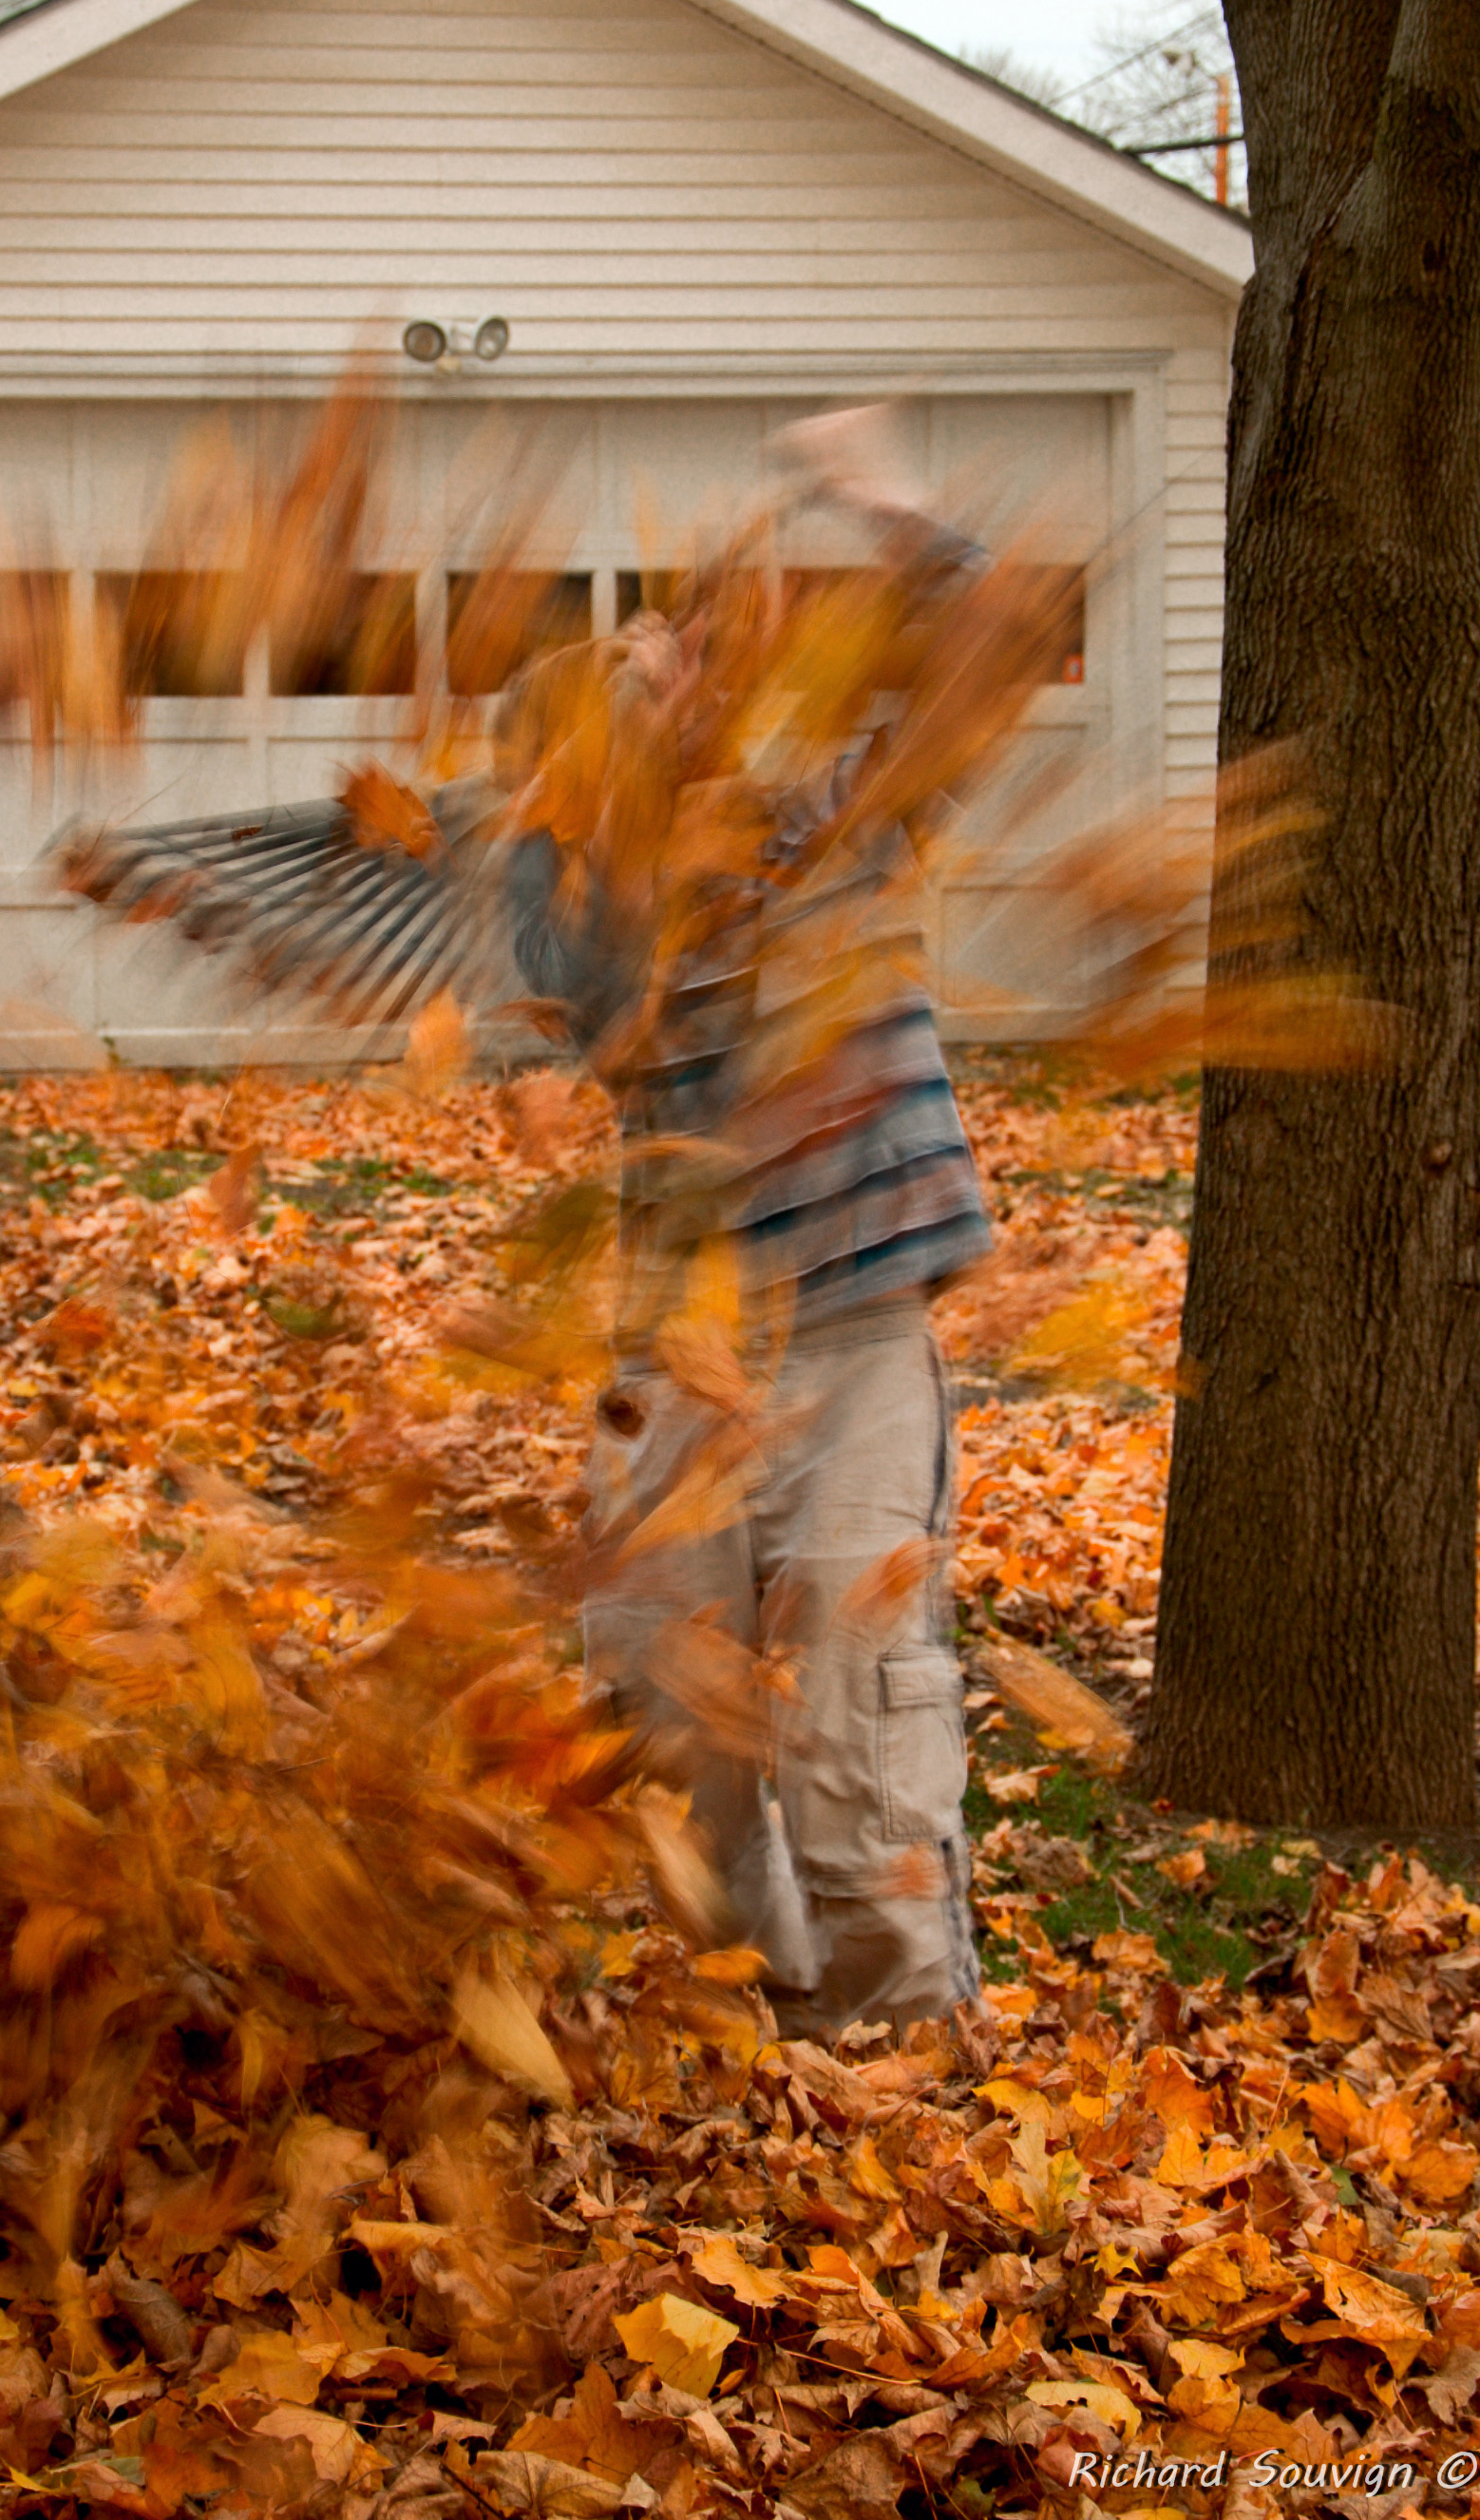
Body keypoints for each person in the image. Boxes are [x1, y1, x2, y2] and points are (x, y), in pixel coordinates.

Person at [500, 471, 995, 2038]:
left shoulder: (846, 811)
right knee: (665, 1733)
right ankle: (762, 2032)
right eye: (660, 670)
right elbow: (575, 970)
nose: (693, 678)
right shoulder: (589, 900)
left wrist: (881, 501)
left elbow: (990, 632)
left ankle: (906, 2061)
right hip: (676, 1369)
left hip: (855, 1344)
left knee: (860, 1737)